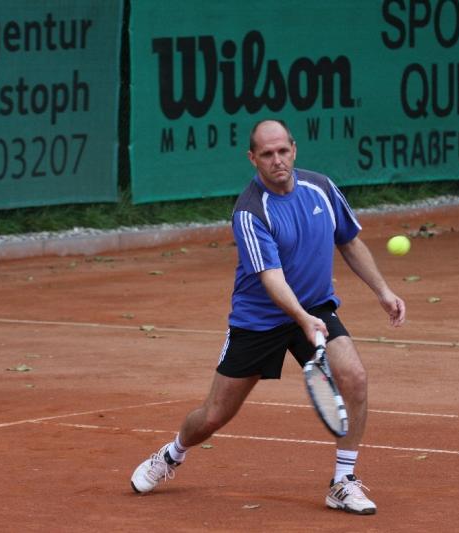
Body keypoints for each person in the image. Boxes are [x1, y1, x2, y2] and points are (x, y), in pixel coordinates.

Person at [130, 119, 406, 515]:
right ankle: (172, 453)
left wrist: (383, 291)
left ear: (294, 149)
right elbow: (271, 278)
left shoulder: (322, 188)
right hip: (259, 320)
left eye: (282, 151)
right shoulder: (250, 211)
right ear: (253, 158)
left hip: (315, 306)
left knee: (355, 378)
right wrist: (301, 318)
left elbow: (348, 241)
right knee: (214, 415)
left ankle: (343, 482)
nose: (277, 160)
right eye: (267, 154)